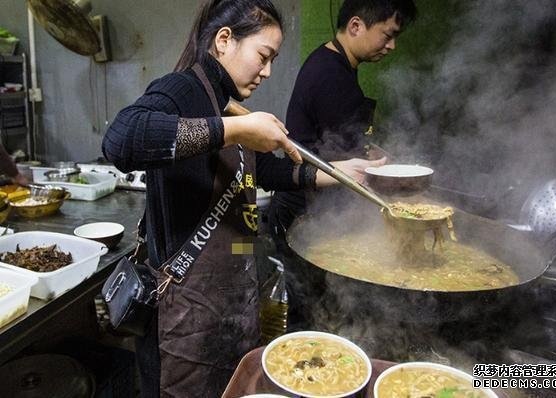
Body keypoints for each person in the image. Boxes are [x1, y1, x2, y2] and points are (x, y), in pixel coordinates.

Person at [102, 1, 384, 397]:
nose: (267, 71)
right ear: (224, 41)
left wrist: (337, 174)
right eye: (263, 56)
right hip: (181, 312)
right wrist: (232, 129)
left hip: (226, 302)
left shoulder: (222, 99)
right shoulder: (183, 88)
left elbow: (264, 171)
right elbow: (121, 139)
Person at [268, 0, 417, 331]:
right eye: (388, 35)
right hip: (303, 211)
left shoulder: (337, 64)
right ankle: (305, 372)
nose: (392, 46)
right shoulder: (330, 73)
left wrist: (368, 149)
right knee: (310, 310)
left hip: (313, 205)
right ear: (355, 26)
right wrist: (376, 168)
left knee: (320, 306)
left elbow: (339, 139)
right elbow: (337, 158)